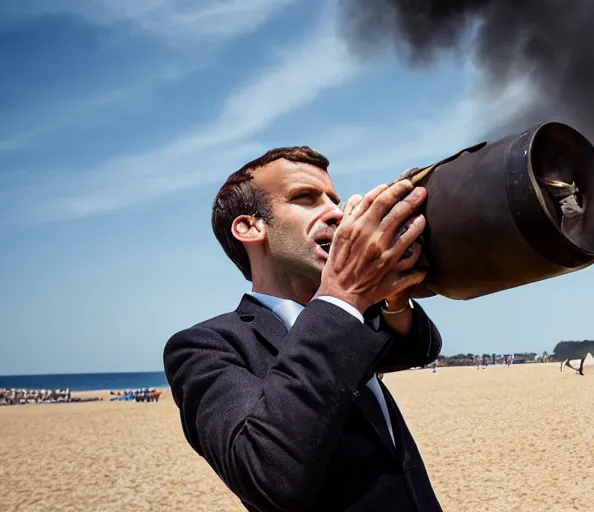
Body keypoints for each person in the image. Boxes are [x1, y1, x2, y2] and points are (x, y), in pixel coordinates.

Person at [163, 146, 444, 512]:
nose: (336, 212)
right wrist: (342, 294)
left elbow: (419, 348)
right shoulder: (204, 347)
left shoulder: (352, 316)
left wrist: (395, 296)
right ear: (250, 227)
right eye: (306, 198)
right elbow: (267, 473)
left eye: (334, 199)